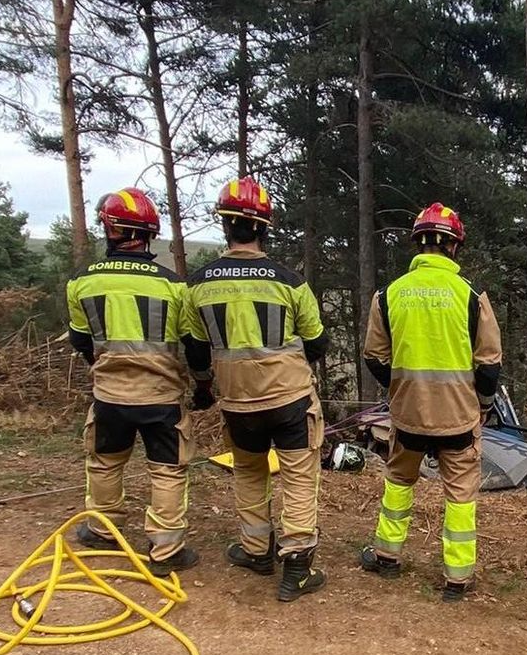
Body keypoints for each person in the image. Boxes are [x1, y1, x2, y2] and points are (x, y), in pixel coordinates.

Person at [181, 176, 329, 602]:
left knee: (248, 471)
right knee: (299, 476)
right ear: (264, 227)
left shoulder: (199, 284)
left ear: (225, 227)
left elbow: (195, 348)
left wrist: (205, 388)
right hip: (290, 398)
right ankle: (297, 566)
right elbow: (317, 342)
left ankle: (256, 550)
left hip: (237, 400)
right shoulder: (290, 282)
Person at [357, 202, 502, 603]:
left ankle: (387, 555)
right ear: (454, 247)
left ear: (418, 244)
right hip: (458, 418)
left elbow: (374, 357)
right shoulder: (471, 296)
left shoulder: (389, 294)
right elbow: (489, 364)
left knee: (399, 481)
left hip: (407, 418)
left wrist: (400, 389)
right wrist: (484, 404)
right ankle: (457, 577)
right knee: (459, 495)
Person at [66, 187, 197, 576]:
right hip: (161, 396)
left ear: (109, 230)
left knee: (105, 463)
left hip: (109, 393)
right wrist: (201, 384)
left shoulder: (82, 282)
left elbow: (80, 340)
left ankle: (102, 531)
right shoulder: (174, 286)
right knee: (168, 468)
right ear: (149, 234)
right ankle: (167, 548)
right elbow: (191, 342)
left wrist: (105, 366)